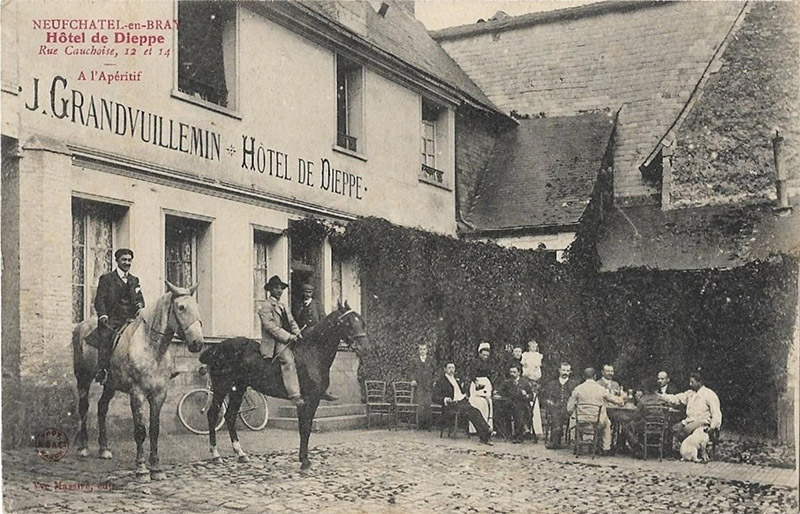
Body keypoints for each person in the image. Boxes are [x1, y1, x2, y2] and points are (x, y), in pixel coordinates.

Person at [91, 248, 145, 384]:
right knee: (106, 337)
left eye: (129, 260)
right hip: (113, 319)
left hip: (131, 319)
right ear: (117, 261)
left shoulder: (134, 280)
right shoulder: (107, 278)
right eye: (124, 260)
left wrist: (140, 308)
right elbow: (100, 299)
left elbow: (139, 299)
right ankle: (102, 370)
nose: (127, 262)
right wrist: (102, 315)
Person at [258, 275, 305, 407]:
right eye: (276, 288)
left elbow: (292, 322)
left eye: (281, 288)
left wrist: (298, 334)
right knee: (288, 360)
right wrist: (289, 337)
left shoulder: (283, 306)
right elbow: (271, 327)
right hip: (274, 342)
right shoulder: (265, 306)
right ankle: (294, 394)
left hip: (288, 338)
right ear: (270, 290)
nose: (279, 291)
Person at [292, 282, 337, 402]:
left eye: (309, 292)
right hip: (302, 337)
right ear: (302, 293)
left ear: (312, 293)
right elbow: (294, 320)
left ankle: (323, 389)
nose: (307, 294)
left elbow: (324, 319)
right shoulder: (298, 304)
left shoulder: (317, 305)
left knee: (322, 363)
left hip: (316, 339)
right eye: (305, 292)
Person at [567, 367, 624, 455]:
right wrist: (622, 399)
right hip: (597, 422)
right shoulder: (601, 389)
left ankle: (577, 444)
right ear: (594, 376)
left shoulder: (578, 389)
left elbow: (569, 408)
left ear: (584, 376)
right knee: (607, 423)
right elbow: (615, 400)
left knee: (573, 419)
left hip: (581, 421)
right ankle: (606, 448)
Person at [434, 362, 493, 445]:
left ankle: (484, 436)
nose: (451, 370)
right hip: (451, 405)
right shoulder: (441, 381)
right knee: (472, 411)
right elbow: (434, 397)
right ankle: (487, 431)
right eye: (449, 368)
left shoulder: (456, 380)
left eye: (453, 368)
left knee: (475, 411)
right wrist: (444, 399)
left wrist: (465, 394)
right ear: (445, 369)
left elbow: (461, 392)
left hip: (461, 402)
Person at [660, 371, 722, 442]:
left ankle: (686, 449)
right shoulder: (690, 393)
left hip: (703, 423)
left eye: (692, 382)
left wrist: (713, 427)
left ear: (699, 382)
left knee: (685, 431)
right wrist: (661, 397)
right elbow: (677, 398)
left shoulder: (709, 394)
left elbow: (716, 413)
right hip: (689, 421)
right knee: (673, 429)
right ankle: (671, 451)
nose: (690, 384)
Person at [540, 362, 579, 448]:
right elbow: (546, 398)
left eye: (568, 371)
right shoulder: (552, 384)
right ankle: (556, 441)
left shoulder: (574, 384)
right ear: (559, 370)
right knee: (556, 413)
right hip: (555, 408)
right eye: (563, 370)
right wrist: (549, 402)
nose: (565, 372)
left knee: (560, 413)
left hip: (568, 409)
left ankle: (556, 440)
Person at [496, 364, 535, 443]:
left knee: (518, 410)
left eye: (514, 372)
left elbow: (531, 396)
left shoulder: (524, 382)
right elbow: (500, 392)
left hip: (523, 406)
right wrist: (497, 392)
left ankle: (518, 436)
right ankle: (507, 433)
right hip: (509, 406)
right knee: (499, 410)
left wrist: (526, 395)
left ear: (519, 373)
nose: (512, 374)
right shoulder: (507, 382)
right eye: (511, 372)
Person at [469, 342, 494, 433]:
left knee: (487, 403)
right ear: (479, 354)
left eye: (487, 355)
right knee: (477, 403)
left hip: (486, 383)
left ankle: (487, 427)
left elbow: (491, 375)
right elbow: (472, 374)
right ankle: (475, 429)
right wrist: (476, 382)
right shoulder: (474, 362)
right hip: (477, 383)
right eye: (483, 355)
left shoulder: (489, 363)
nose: (485, 357)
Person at [410, 342, 436, 430]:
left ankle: (428, 425)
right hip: (419, 385)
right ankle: (420, 425)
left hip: (428, 385)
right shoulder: (415, 360)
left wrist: (434, 381)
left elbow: (435, 371)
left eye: (424, 349)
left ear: (427, 350)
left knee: (428, 405)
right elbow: (411, 371)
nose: (422, 351)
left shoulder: (430, 360)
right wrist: (413, 379)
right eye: (420, 349)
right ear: (418, 350)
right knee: (420, 405)